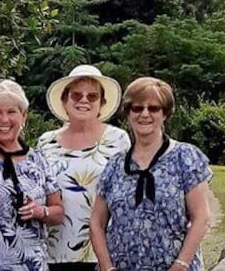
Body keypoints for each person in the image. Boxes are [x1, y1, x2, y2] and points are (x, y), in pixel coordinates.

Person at [90, 77, 212, 271]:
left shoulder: (186, 157)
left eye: (153, 108)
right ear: (128, 114)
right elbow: (97, 222)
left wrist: (180, 265)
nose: (145, 114)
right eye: (137, 108)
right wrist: (107, 267)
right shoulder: (114, 165)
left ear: (165, 113)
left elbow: (201, 218)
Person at [37, 65, 130, 271]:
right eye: (76, 95)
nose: (84, 100)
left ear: (102, 103)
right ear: (65, 100)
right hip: (55, 251)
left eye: (92, 96)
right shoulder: (46, 142)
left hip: (104, 254)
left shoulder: (118, 140)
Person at [0, 79, 64, 270]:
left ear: (23, 116)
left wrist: (41, 212)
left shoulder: (37, 160)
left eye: (11, 112)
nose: (4, 120)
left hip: (33, 263)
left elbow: (58, 211)